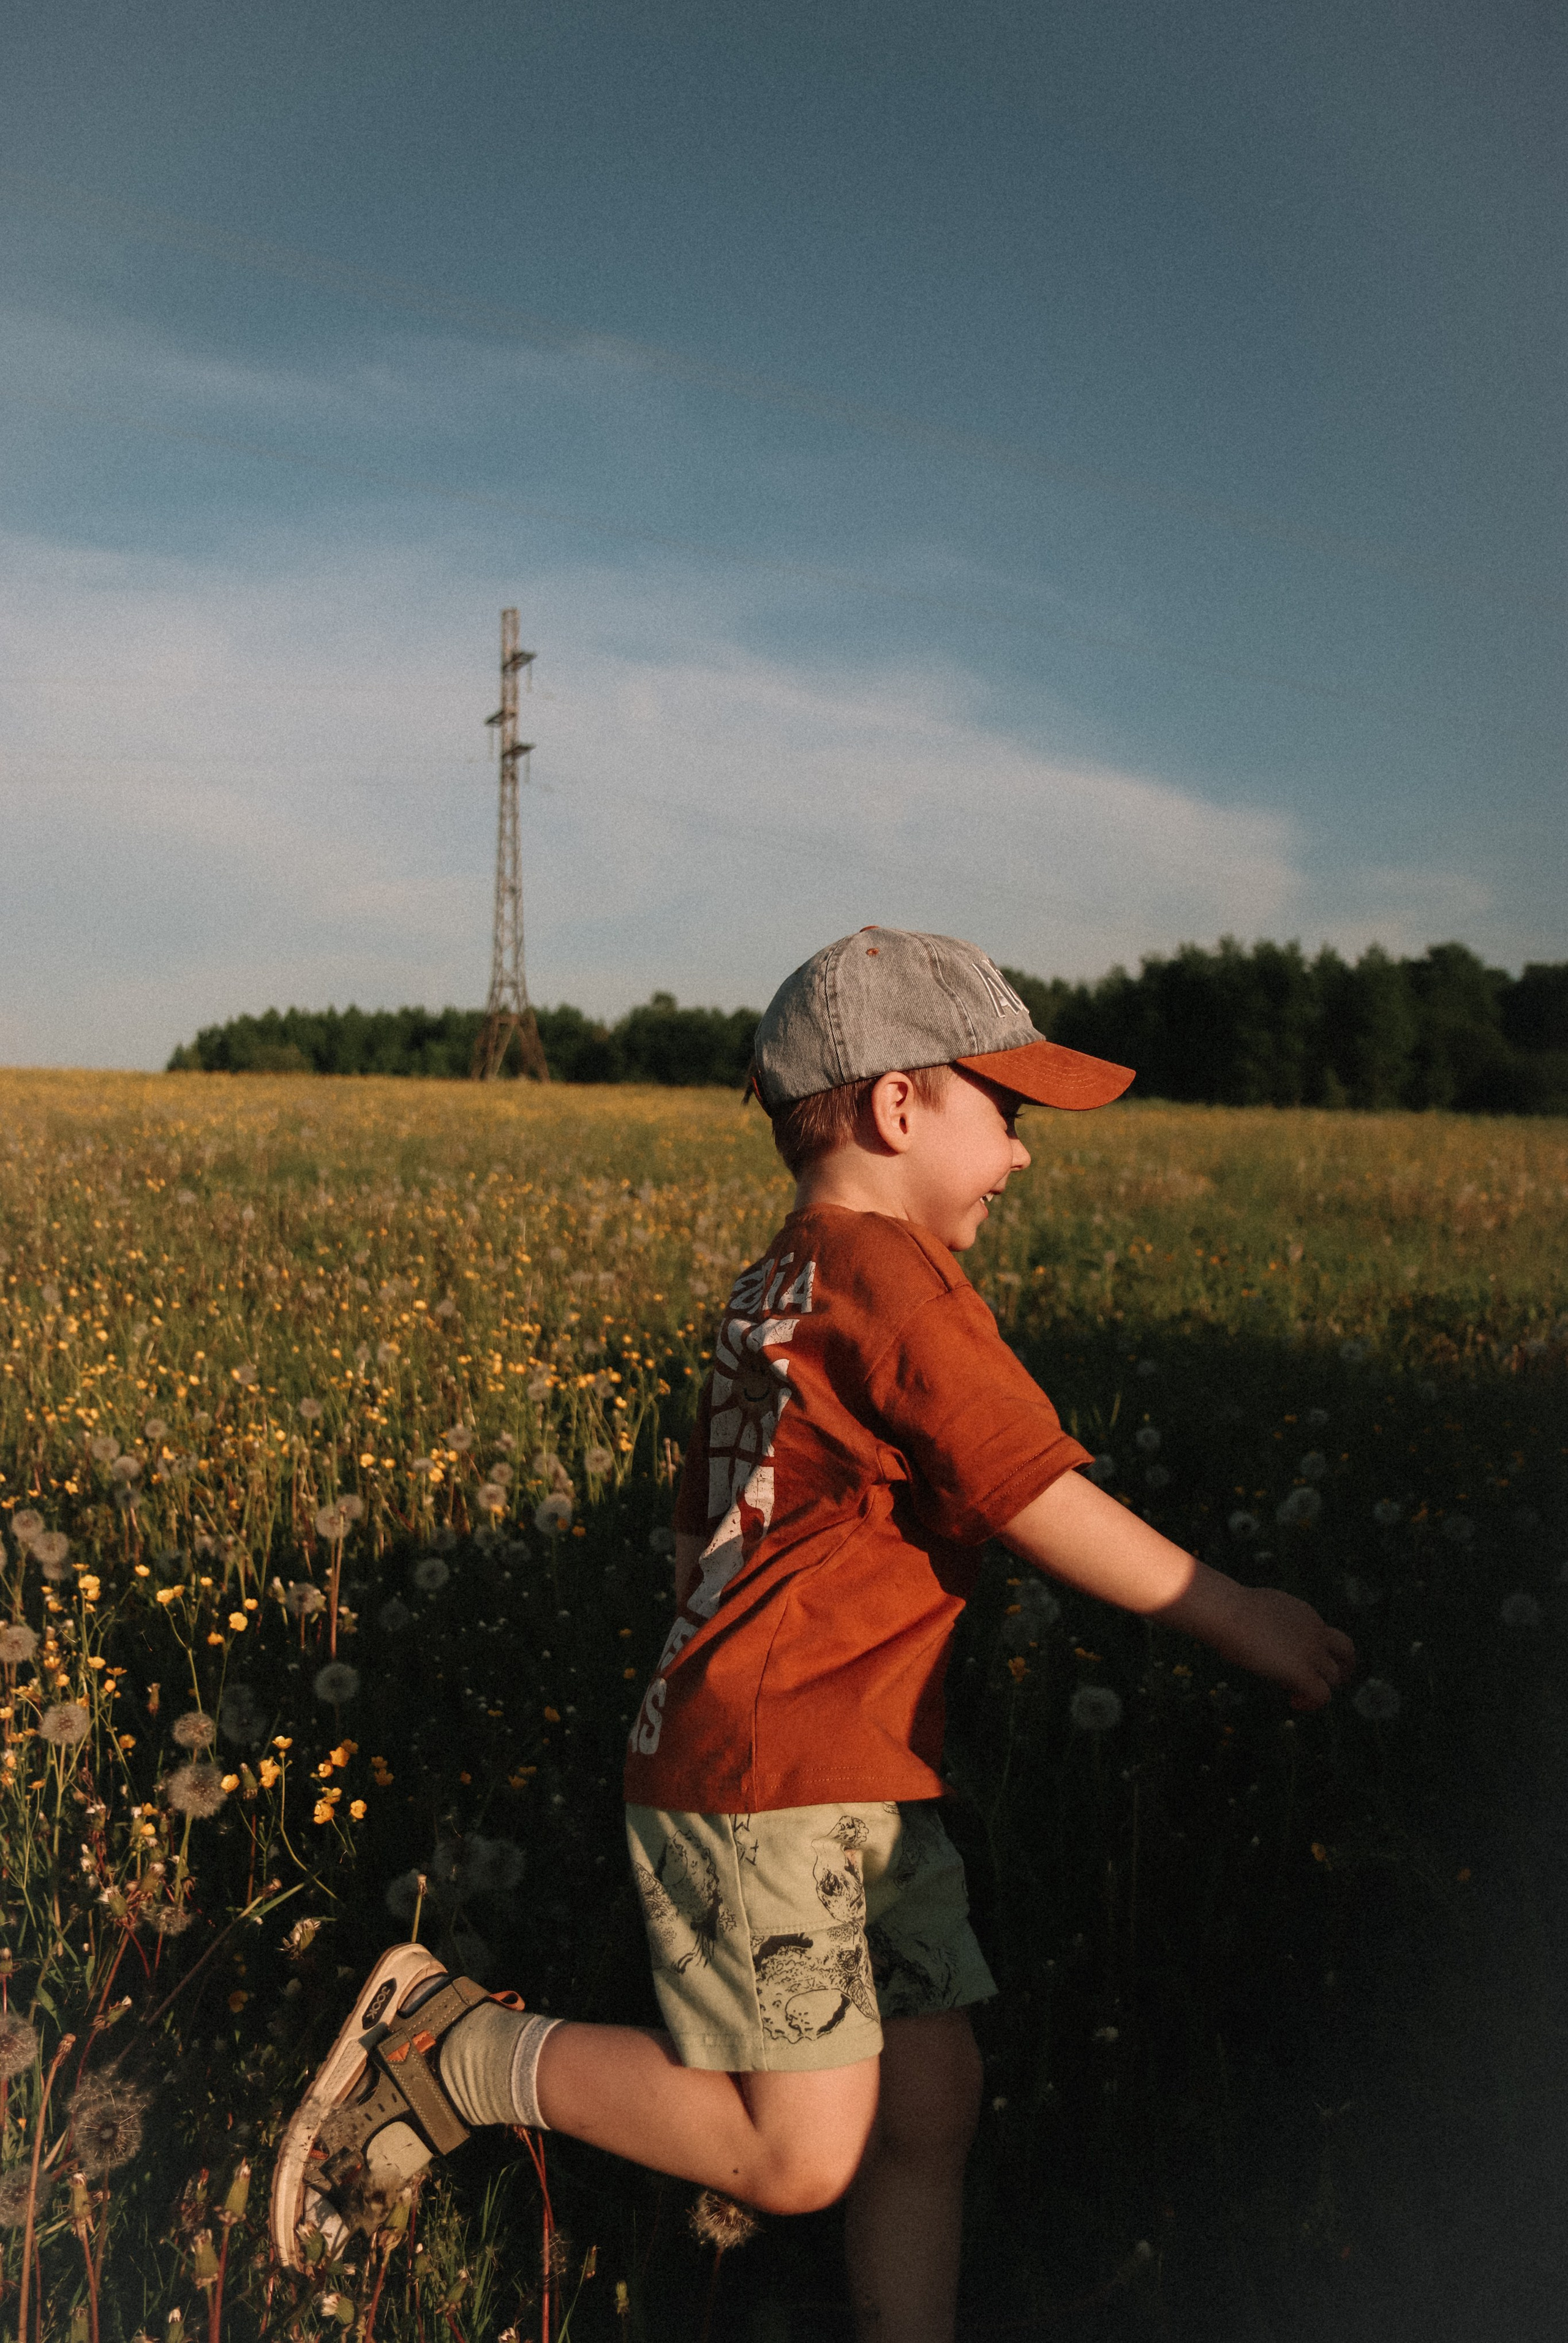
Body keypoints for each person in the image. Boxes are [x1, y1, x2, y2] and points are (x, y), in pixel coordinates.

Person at [273, 927, 1356, 2341]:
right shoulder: (894, 1281)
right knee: (798, 2154)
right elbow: (1027, 1488)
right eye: (1005, 1112)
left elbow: (696, 1535)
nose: (1021, 1155)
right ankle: (457, 2052)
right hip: (777, 1775)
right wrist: (1238, 1614)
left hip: (820, 1764)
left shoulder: (777, 1286)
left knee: (930, 2097)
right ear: (899, 1104)